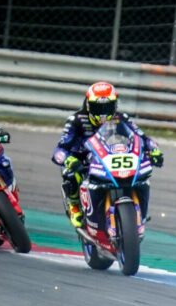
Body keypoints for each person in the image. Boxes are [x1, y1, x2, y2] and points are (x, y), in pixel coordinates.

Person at [51, 81, 164, 228]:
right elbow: (59, 151)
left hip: (111, 156)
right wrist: (69, 160)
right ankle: (75, 206)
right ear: (88, 105)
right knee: (70, 174)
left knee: (140, 174)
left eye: (107, 107)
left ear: (115, 105)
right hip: (83, 160)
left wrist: (154, 150)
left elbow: (142, 137)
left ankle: (138, 209)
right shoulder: (76, 120)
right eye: (98, 107)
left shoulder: (121, 117)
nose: (103, 113)